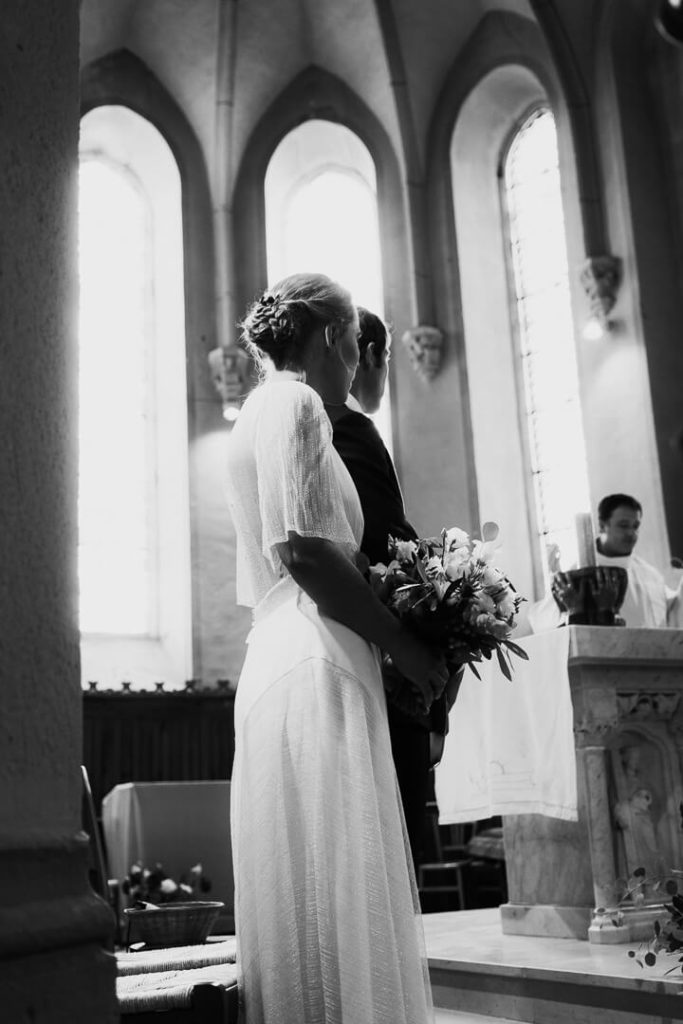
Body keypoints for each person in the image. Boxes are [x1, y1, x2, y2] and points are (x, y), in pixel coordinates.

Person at [226, 273, 447, 1024]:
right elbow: (305, 551)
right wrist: (404, 646)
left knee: (309, 894)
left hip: (276, 654)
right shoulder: (297, 404)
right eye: (355, 345)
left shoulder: (254, 411)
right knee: (349, 891)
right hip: (319, 656)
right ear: (330, 337)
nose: (355, 364)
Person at [330, 306, 460, 870]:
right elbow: (386, 543)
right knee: (393, 845)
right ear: (371, 355)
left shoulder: (319, 425)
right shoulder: (350, 427)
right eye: (383, 359)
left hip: (349, 639)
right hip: (382, 653)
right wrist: (448, 597)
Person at [528, 493, 682, 631]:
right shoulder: (578, 573)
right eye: (623, 526)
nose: (631, 533)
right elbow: (546, 622)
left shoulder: (650, 574)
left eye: (635, 526)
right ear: (602, 526)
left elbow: (672, 615)